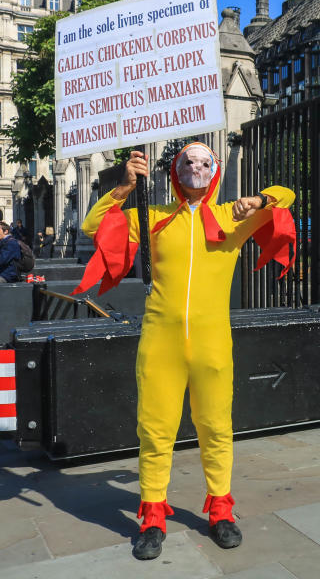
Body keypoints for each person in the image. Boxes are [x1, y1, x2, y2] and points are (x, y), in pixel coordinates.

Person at [77, 143, 296, 561]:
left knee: (216, 429)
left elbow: (288, 197)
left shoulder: (236, 216)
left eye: (204, 162)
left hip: (213, 343)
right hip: (160, 342)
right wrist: (124, 186)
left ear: (214, 172)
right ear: (176, 172)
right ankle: (152, 518)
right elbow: (93, 226)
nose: (196, 167)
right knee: (154, 432)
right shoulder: (153, 217)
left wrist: (261, 198)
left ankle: (220, 510)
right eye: (187, 162)